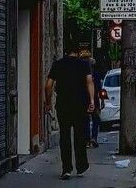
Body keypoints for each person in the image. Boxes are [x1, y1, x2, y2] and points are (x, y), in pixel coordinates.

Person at [45, 41, 95, 180]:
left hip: (63, 105)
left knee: (65, 136)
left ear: (65, 52)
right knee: (80, 136)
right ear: (78, 52)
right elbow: (89, 82)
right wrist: (91, 101)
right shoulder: (84, 64)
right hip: (80, 105)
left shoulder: (58, 64)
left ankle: (66, 169)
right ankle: (81, 166)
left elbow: (48, 85)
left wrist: (48, 102)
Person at [86, 59, 103, 149]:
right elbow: (99, 89)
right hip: (94, 100)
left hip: (85, 100)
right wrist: (101, 101)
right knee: (95, 119)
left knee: (87, 120)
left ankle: (89, 139)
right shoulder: (95, 74)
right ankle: (93, 138)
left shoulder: (84, 74)